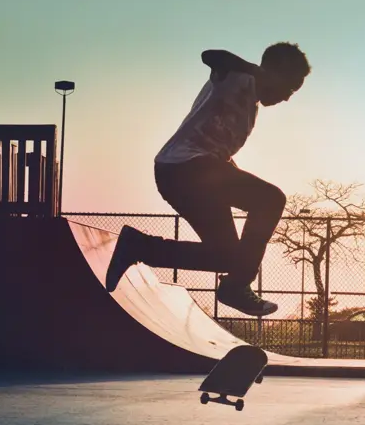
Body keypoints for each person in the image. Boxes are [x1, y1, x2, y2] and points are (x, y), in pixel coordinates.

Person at [105, 42, 311, 316]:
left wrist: (234, 175)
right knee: (271, 199)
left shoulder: (251, 108)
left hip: (193, 176)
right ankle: (237, 285)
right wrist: (257, 72)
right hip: (184, 168)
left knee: (226, 255)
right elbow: (212, 56)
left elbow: (219, 151)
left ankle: (141, 246)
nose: (286, 97)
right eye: (288, 87)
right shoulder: (235, 77)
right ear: (272, 72)